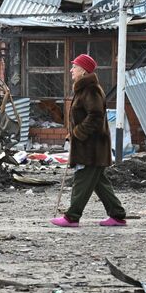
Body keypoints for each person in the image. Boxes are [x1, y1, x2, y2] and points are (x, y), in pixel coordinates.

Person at [50, 54, 127, 228]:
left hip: (92, 148)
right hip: (91, 147)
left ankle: (72, 217)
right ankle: (117, 215)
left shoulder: (91, 89)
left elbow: (96, 116)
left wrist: (78, 132)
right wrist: (73, 134)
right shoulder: (83, 89)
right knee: (100, 183)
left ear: (83, 71)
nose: (71, 70)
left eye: (74, 67)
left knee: (82, 181)